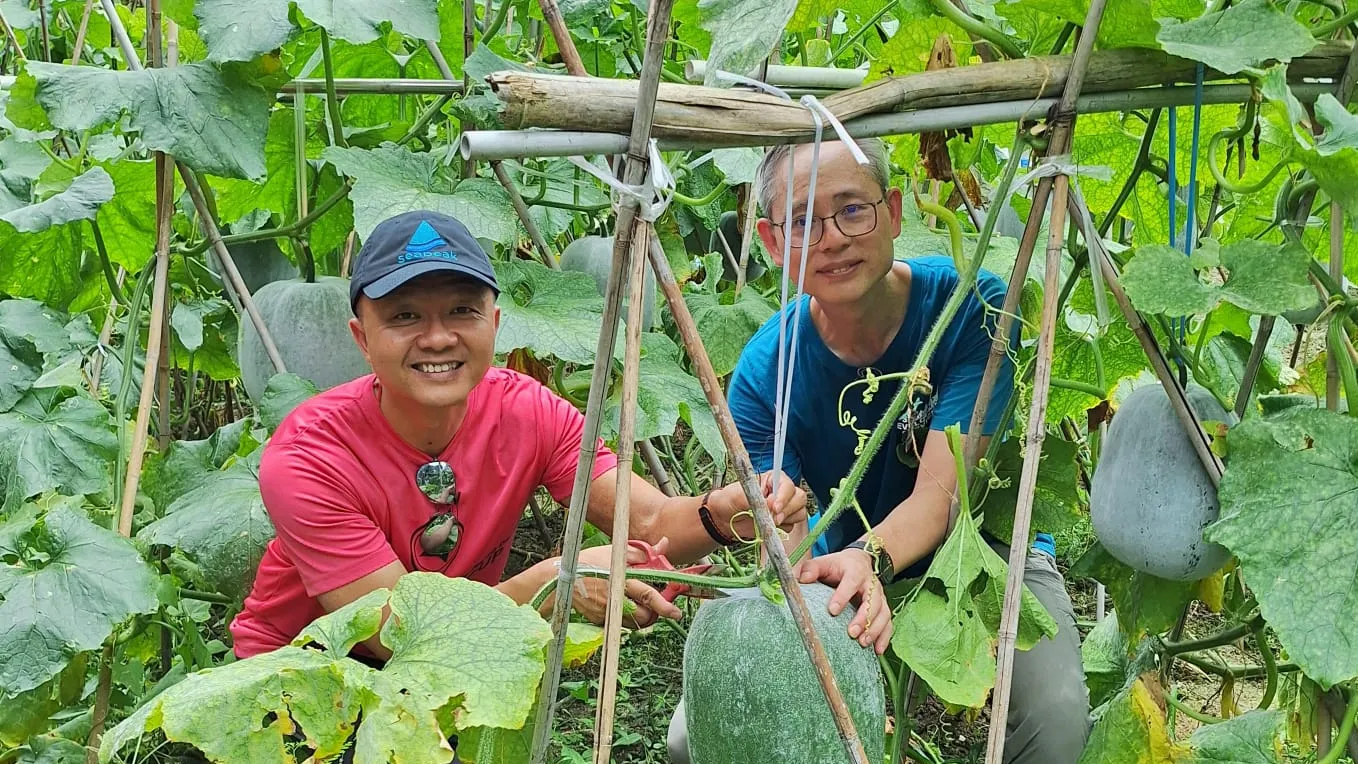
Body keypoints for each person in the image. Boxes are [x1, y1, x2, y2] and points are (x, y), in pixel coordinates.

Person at [228, 209, 808, 669]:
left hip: (454, 664)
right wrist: (555, 584)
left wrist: (720, 514)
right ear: (362, 337)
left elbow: (649, 522)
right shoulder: (308, 457)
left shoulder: (526, 411)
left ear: (495, 325)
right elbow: (389, 631)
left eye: (462, 311)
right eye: (405, 317)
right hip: (299, 675)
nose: (437, 338)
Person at [668, 138, 1090, 763]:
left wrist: (871, 557)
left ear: (893, 212)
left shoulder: (969, 309)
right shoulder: (764, 369)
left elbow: (941, 499)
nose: (833, 238)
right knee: (688, 742)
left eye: (853, 210)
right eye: (805, 221)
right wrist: (809, 581)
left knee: (1054, 720)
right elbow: (786, 536)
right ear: (771, 240)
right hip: (838, 570)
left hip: (980, 555)